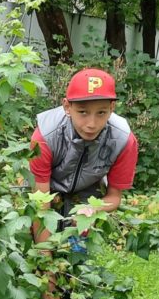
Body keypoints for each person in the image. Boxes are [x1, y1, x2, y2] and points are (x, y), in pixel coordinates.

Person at [29, 67, 139, 245]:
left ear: (112, 108)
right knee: (36, 252)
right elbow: (40, 204)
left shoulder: (123, 140)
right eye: (83, 112)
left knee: (76, 256)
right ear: (67, 106)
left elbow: (114, 197)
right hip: (43, 191)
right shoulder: (45, 136)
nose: (91, 124)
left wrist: (93, 209)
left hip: (86, 194)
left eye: (101, 113)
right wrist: (45, 259)